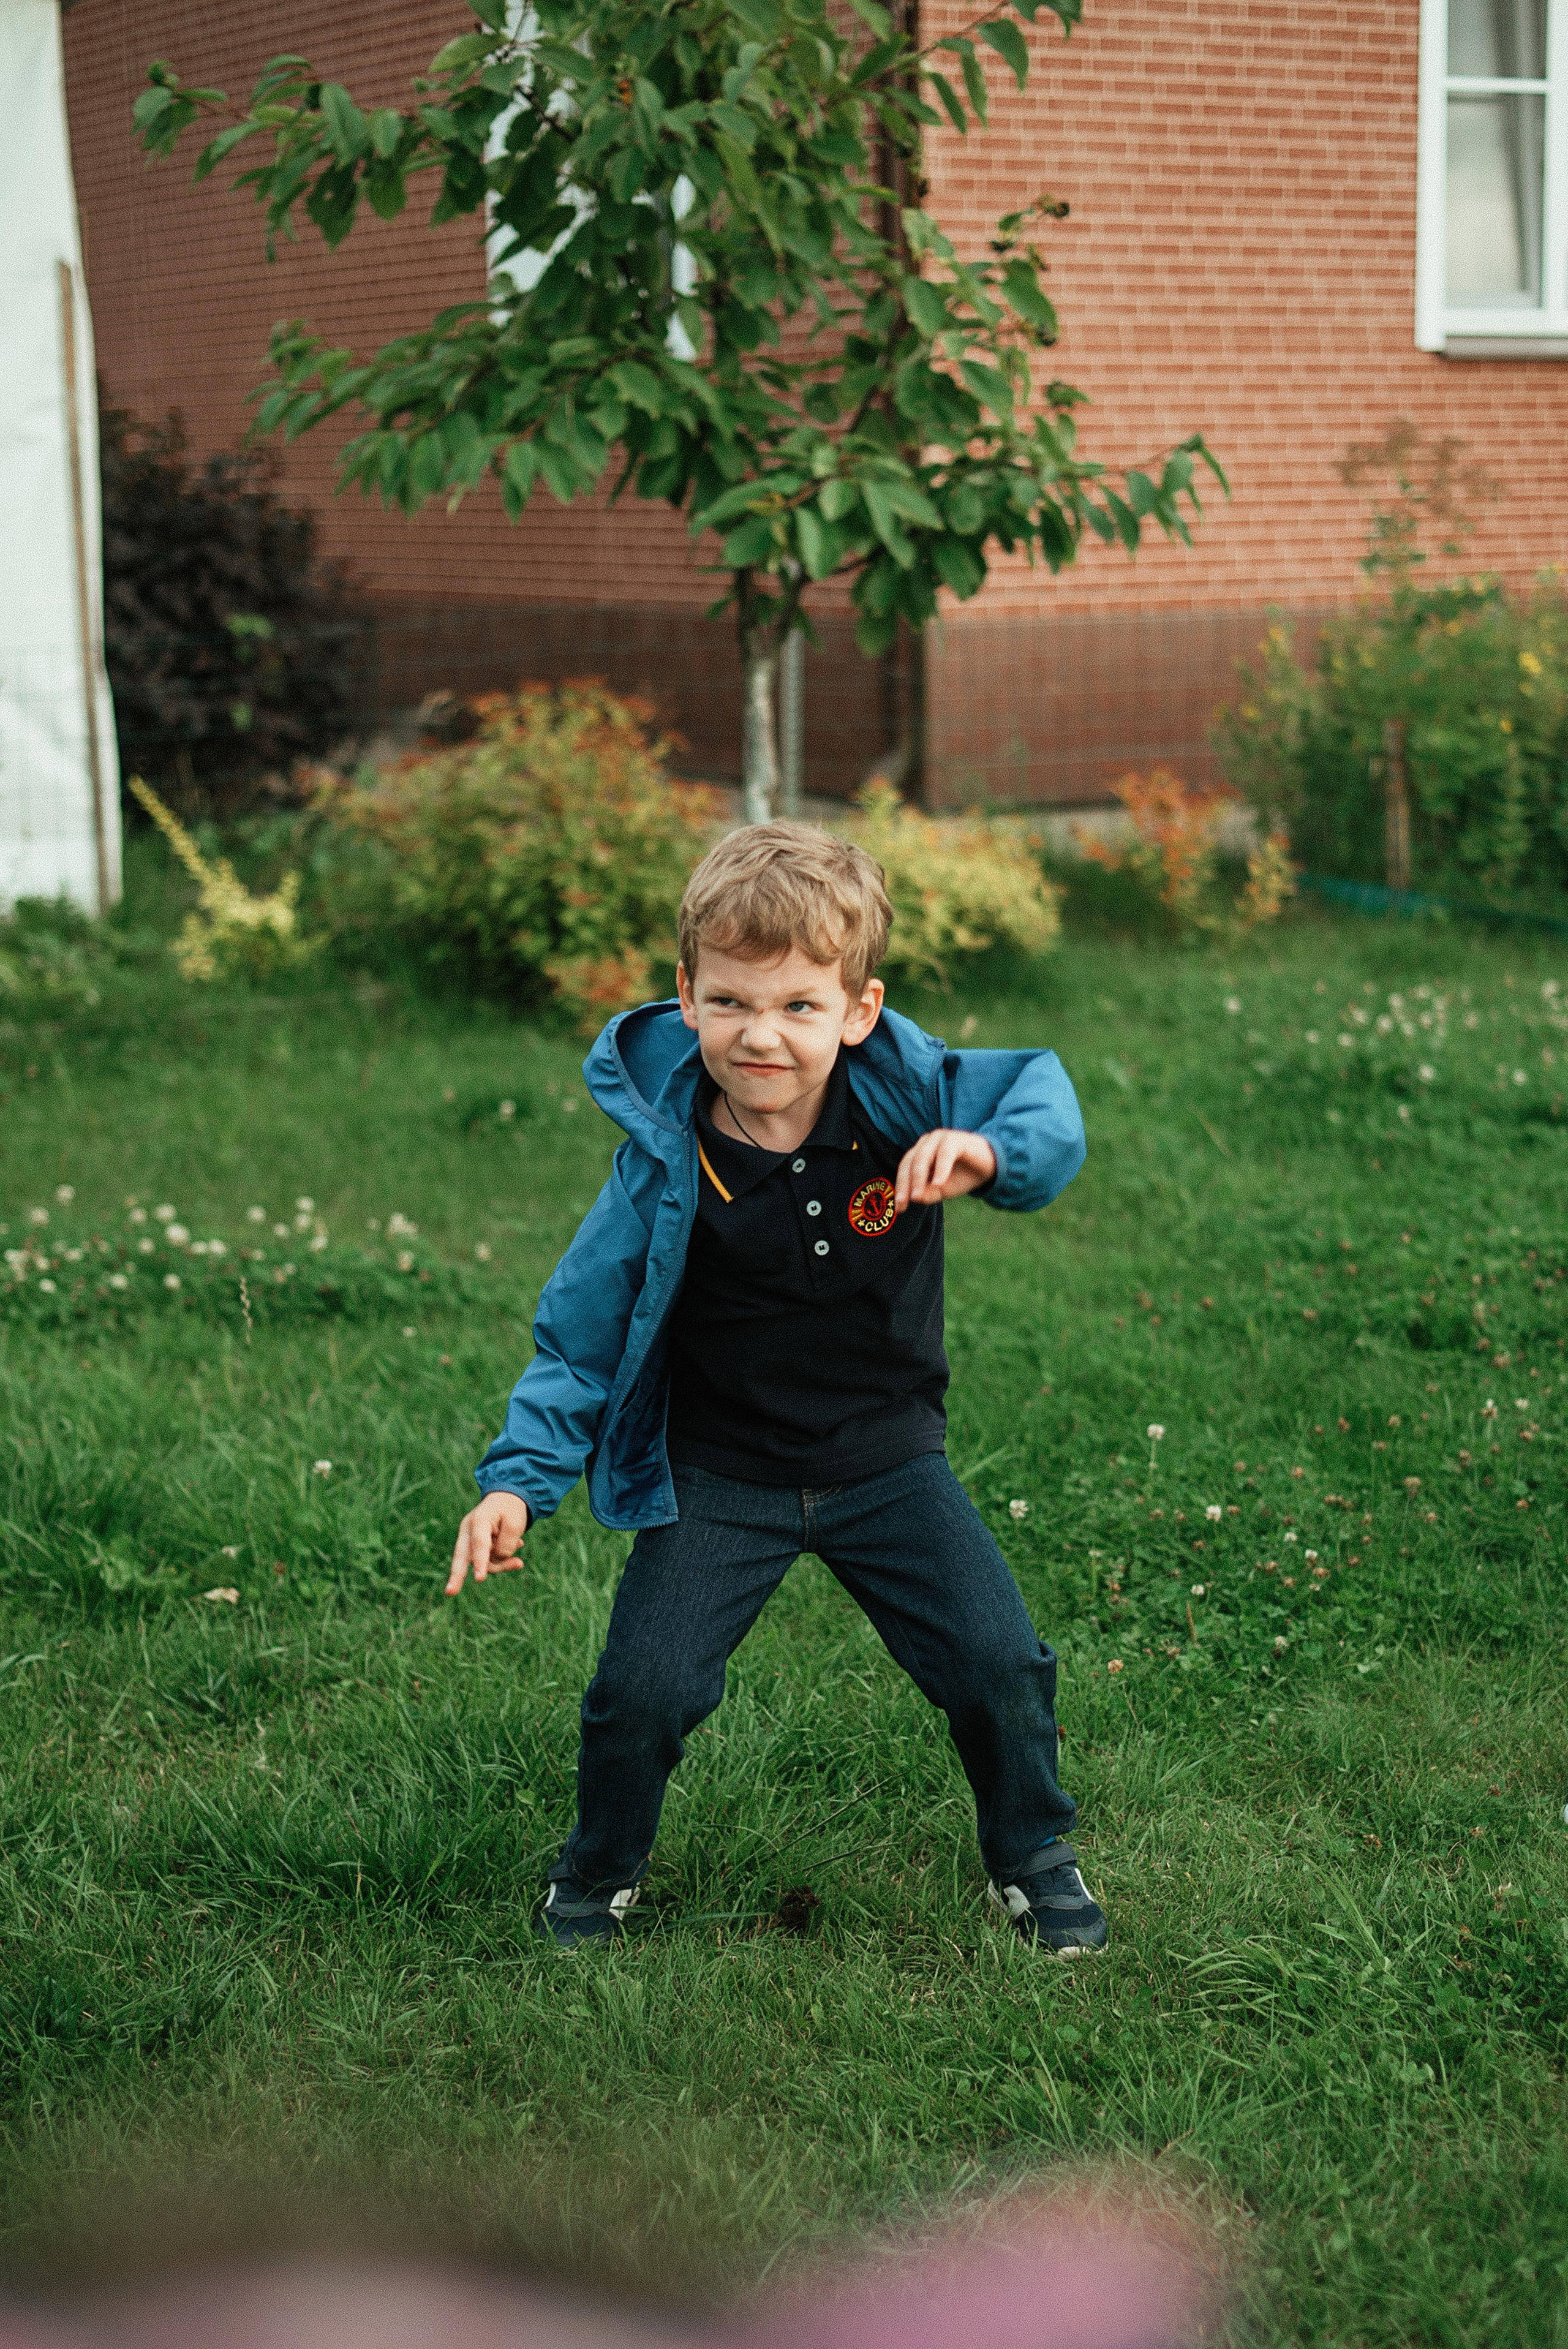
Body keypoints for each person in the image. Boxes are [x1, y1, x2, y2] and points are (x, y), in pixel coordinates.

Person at [446, 821, 1106, 1957]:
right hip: (720, 1474)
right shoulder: (664, 1160)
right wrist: (518, 1483)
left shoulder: (903, 1096)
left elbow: (1041, 1099)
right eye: (733, 1003)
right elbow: (580, 1342)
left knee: (999, 1665)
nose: (764, 1035)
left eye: (800, 1006)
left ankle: (1035, 1853)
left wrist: (989, 1156)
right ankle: (597, 1874)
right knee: (641, 1693)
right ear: (688, 997)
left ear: (857, 1009)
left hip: (886, 1459)